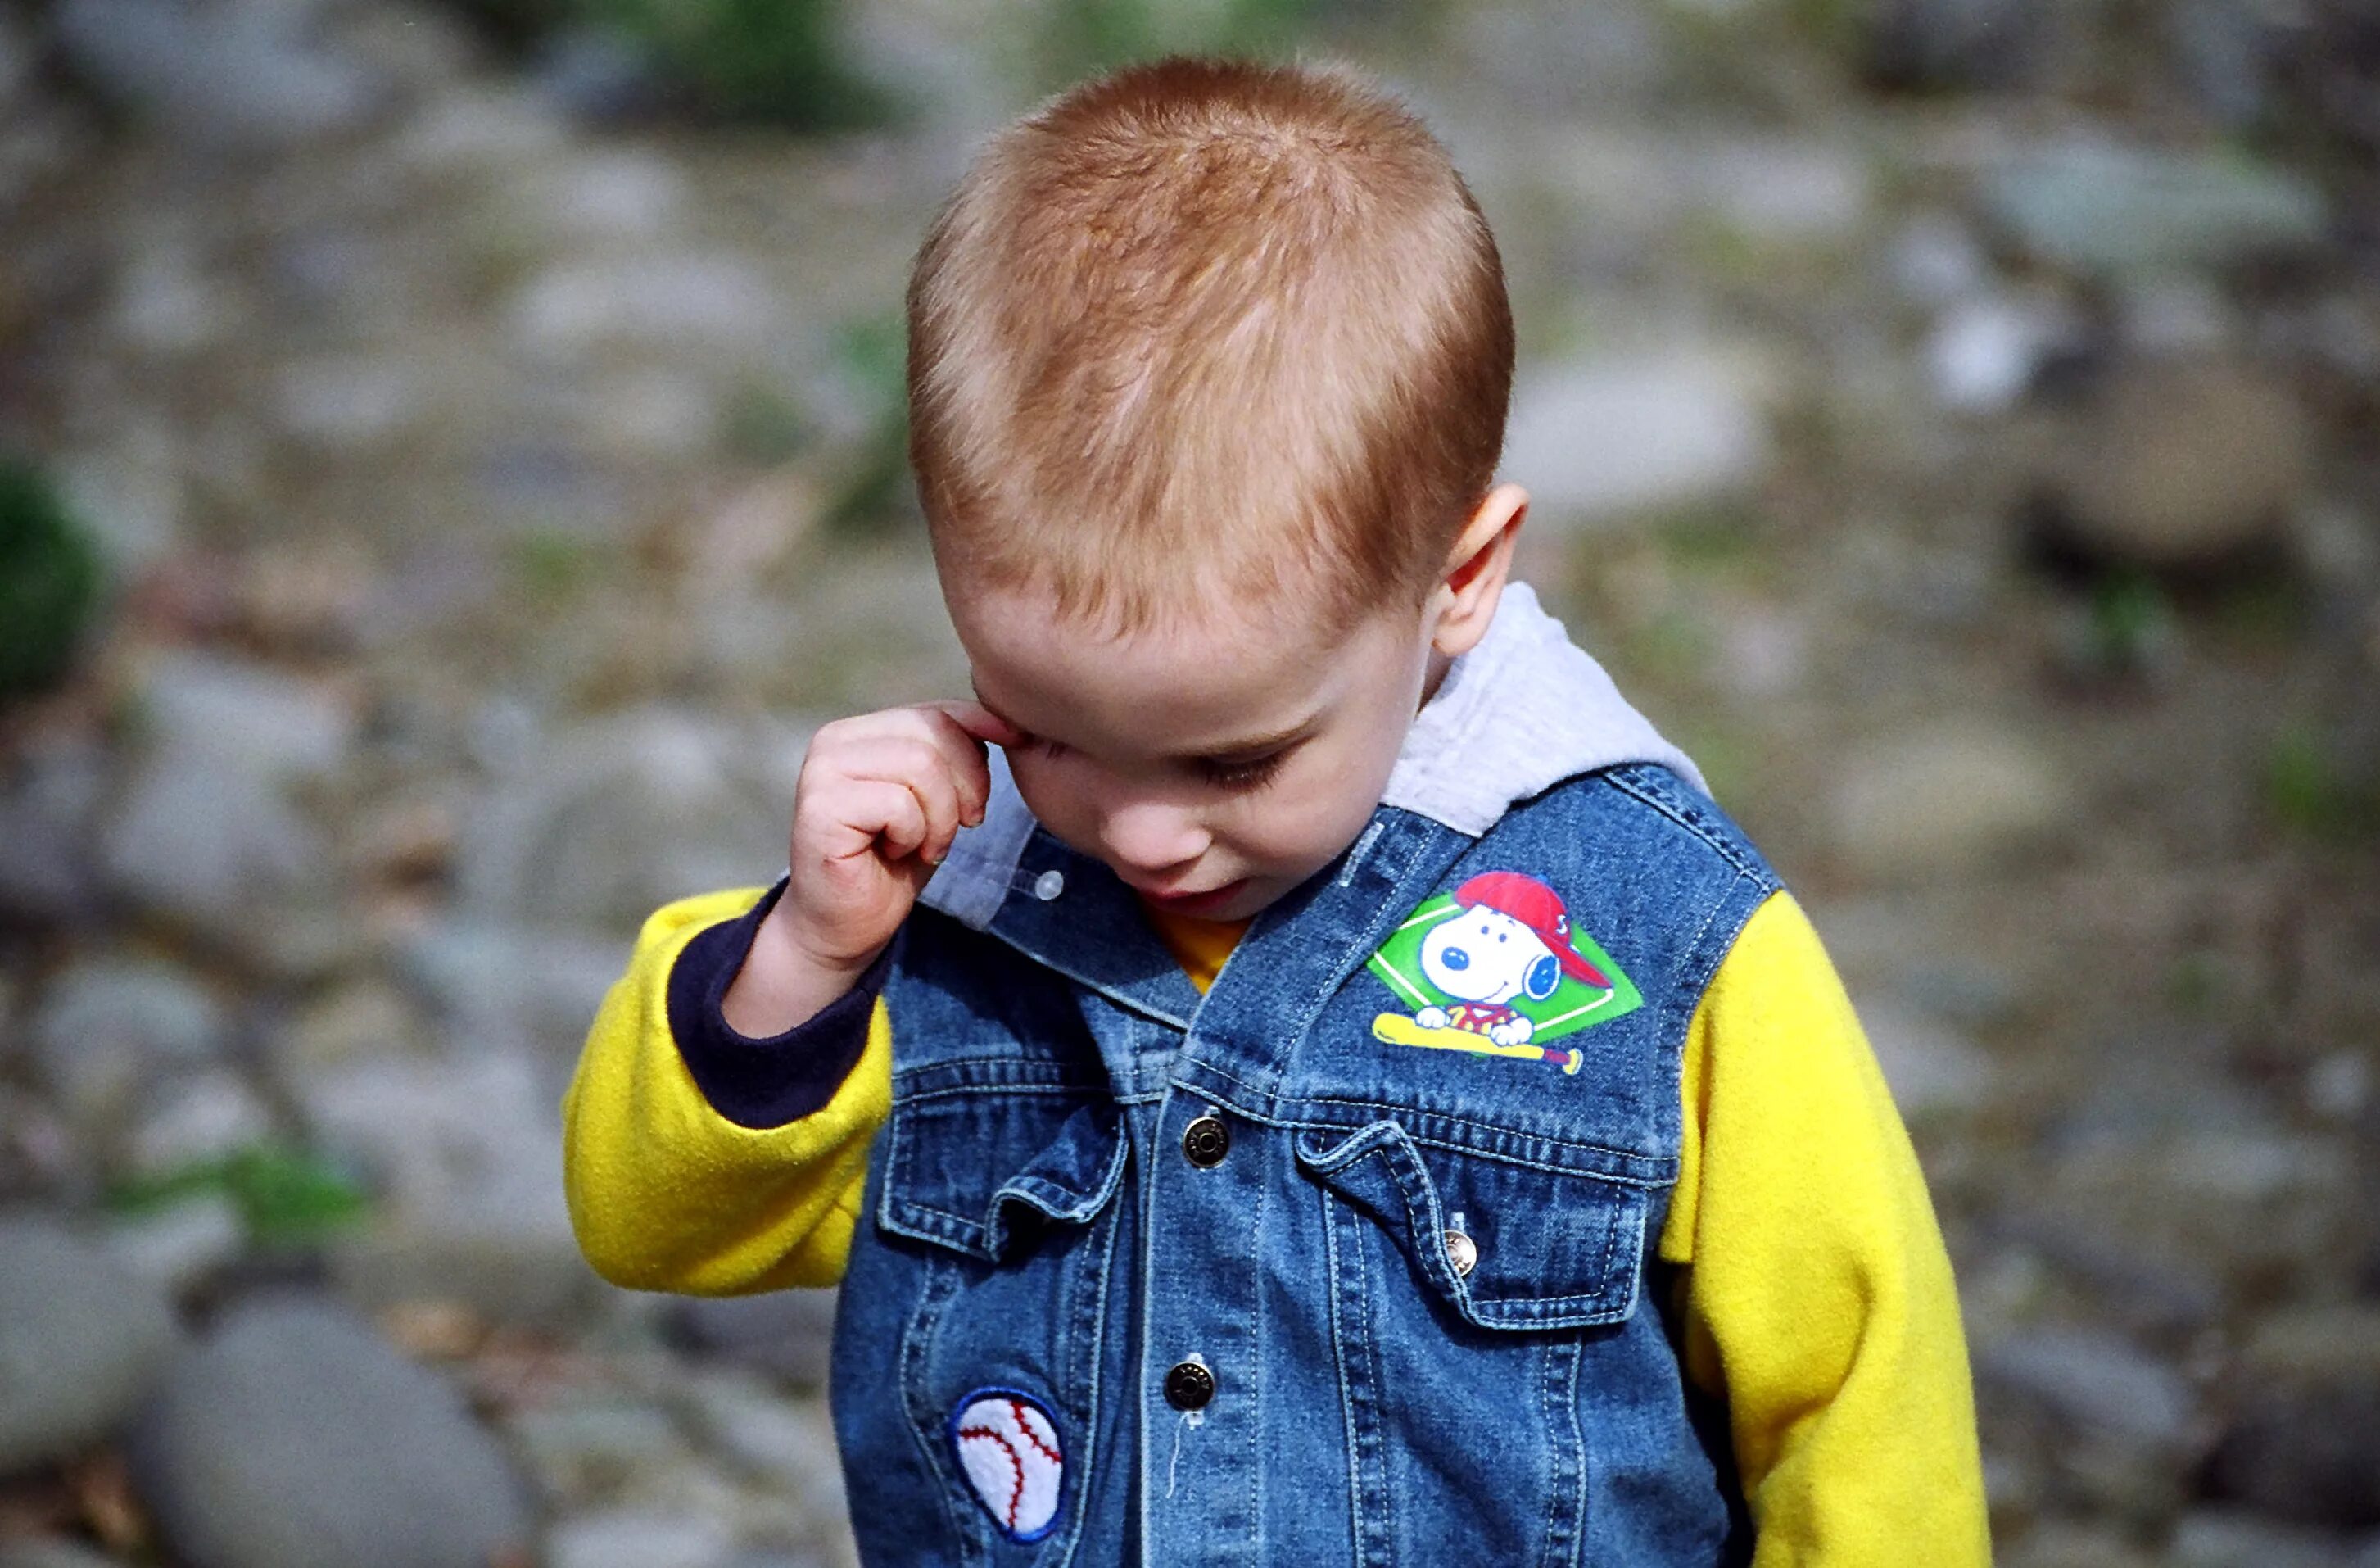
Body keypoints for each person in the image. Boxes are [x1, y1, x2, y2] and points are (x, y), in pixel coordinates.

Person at [561, 55, 1991, 1566]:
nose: (1139, 834)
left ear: (1455, 582)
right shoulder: (938, 913)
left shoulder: (1661, 934)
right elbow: (652, 1223)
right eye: (1047, 729)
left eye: (1234, 763)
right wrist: (795, 970)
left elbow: (1857, 1389)